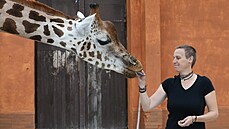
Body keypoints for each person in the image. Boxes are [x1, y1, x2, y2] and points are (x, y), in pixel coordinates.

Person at [136, 45, 218, 129]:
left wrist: (194, 119)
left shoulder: (204, 83)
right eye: (174, 58)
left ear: (190, 59)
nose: (174, 61)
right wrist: (142, 85)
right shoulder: (169, 84)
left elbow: (214, 113)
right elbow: (147, 106)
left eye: (178, 58)